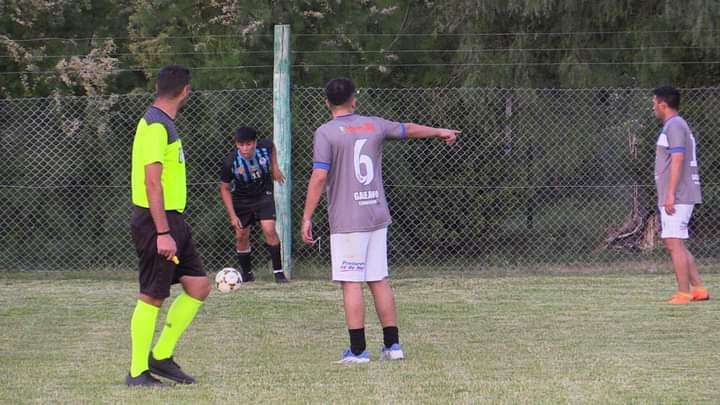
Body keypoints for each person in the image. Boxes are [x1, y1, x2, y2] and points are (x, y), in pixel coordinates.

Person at [301, 78, 460, 363]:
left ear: (326, 102)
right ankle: (393, 346)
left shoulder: (325, 132)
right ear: (354, 100)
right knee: (378, 278)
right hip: (376, 213)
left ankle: (359, 351)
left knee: (351, 282)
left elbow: (320, 176)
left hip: (349, 219)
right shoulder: (373, 123)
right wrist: (439, 131)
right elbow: (407, 129)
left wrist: (306, 217)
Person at [127, 64, 211, 386]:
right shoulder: (154, 125)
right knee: (152, 295)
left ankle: (160, 356)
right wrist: (162, 232)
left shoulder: (165, 124)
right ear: (185, 90)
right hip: (155, 221)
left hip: (174, 219)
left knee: (199, 286)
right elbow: (152, 183)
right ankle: (137, 372)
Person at [652, 85, 709, 304]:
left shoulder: (674, 125)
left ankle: (683, 293)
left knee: (673, 242)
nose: (653, 107)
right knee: (676, 242)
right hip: (679, 194)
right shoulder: (675, 125)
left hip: (678, 195)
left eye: (654, 103)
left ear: (663, 104)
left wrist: (670, 194)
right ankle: (699, 289)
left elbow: (677, 160)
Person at [219, 126, 288, 283]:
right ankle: (247, 274)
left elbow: (272, 146)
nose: (245, 148)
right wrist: (232, 215)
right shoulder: (231, 162)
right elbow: (224, 188)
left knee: (269, 229)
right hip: (241, 199)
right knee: (241, 235)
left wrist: (275, 167)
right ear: (237, 144)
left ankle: (278, 273)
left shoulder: (264, 147)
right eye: (241, 145)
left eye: (248, 144)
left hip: (263, 193)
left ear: (255, 143)